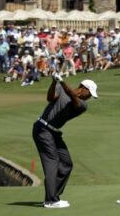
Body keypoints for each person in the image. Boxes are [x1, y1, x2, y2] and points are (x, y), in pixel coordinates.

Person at [33, 73, 98, 208]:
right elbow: (50, 98)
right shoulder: (61, 89)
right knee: (53, 161)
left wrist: (61, 81)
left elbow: (72, 95)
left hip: (54, 133)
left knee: (66, 163)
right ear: (83, 88)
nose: (90, 97)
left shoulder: (82, 105)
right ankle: (51, 200)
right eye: (90, 93)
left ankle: (53, 195)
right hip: (42, 129)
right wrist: (53, 82)